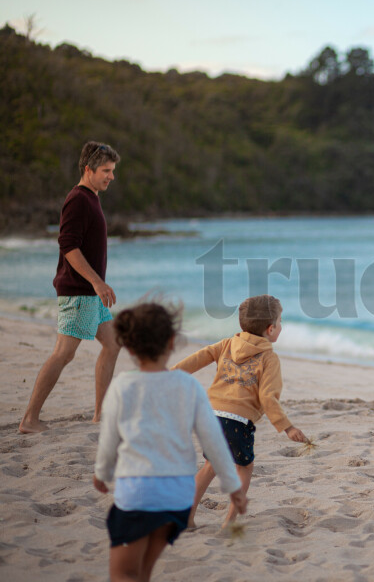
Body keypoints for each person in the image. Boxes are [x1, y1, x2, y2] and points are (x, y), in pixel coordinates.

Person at [93, 301, 247, 582]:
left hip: (138, 492)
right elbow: (214, 441)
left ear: (129, 348)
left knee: (123, 572)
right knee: (144, 571)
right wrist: (232, 485)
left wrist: (102, 472)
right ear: (172, 342)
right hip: (177, 498)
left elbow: (109, 438)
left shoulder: (123, 385)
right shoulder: (188, 386)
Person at [172, 294, 308, 527]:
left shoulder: (227, 344)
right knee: (244, 468)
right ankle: (229, 521)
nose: (281, 326)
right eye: (280, 322)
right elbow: (268, 398)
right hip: (238, 421)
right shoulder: (269, 358)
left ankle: (187, 516)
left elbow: (198, 358)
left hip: (211, 416)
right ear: (271, 328)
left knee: (210, 466)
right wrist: (287, 427)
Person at [19, 141, 122, 433]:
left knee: (113, 343)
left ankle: (100, 415)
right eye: (106, 171)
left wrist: (98, 286)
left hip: (91, 295)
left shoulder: (91, 197)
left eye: (112, 170)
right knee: (64, 353)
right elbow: (68, 246)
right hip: (79, 292)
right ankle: (30, 419)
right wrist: (97, 281)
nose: (111, 176)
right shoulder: (78, 199)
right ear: (88, 169)